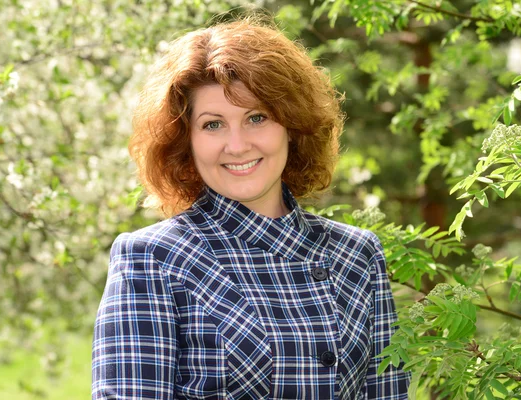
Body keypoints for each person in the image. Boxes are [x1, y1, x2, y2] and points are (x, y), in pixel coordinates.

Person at [91, 15, 410, 400]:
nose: (238, 145)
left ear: (292, 125)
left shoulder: (357, 254)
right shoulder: (152, 259)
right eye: (212, 125)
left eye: (257, 118)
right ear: (185, 140)